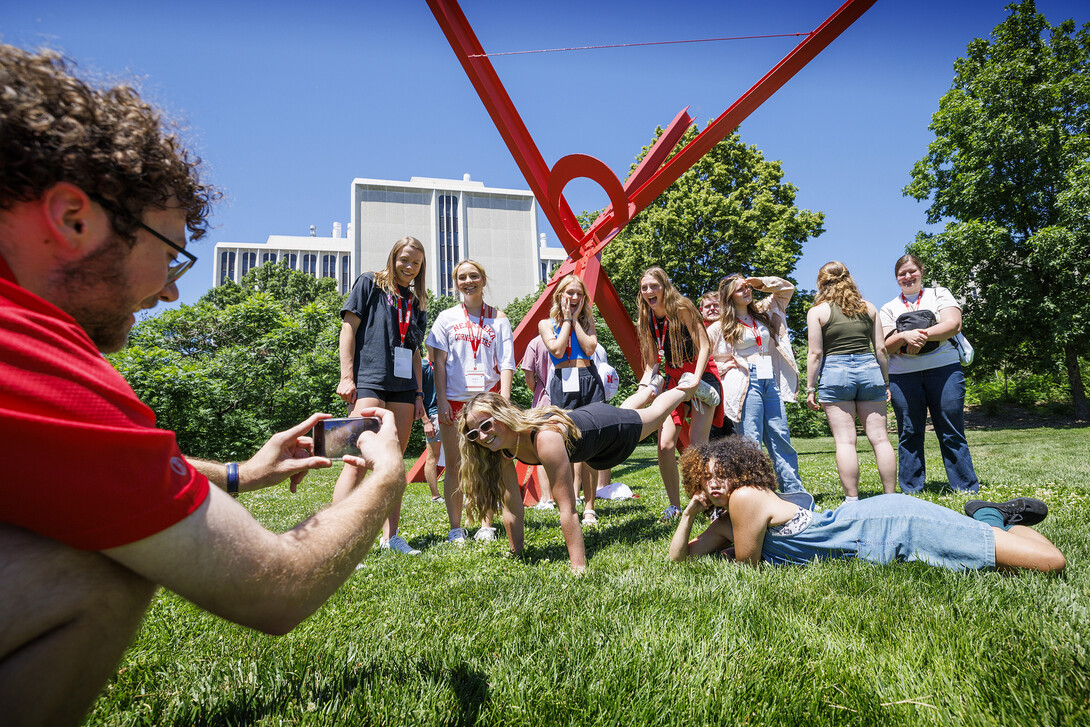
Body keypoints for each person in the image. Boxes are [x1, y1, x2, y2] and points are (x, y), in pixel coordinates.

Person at [0, 45, 409, 725]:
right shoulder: (33, 357)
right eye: (170, 255)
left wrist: (240, 473)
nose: (174, 290)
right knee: (98, 566)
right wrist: (385, 480)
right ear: (75, 218)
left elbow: (71, 462)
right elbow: (272, 586)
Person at [669, 438, 1065, 574]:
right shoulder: (725, 522)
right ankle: (990, 518)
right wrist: (688, 515)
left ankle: (994, 517)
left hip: (892, 525)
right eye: (705, 478)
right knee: (1019, 564)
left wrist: (722, 546)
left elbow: (747, 567)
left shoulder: (744, 499)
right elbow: (677, 560)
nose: (714, 483)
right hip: (873, 528)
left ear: (740, 474)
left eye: (722, 474)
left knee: (1051, 562)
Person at [457, 387, 697, 572]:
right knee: (630, 412)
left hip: (607, 431)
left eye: (486, 425)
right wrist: (515, 553)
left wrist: (578, 567)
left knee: (653, 417)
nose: (482, 436)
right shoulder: (503, 450)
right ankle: (647, 389)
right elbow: (512, 508)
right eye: (473, 433)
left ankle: (684, 388)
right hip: (590, 441)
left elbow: (568, 509)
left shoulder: (545, 438)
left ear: (502, 415)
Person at [336, 236, 429, 554]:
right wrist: (347, 376)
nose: (409, 266)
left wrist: (418, 394)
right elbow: (348, 328)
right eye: (405, 259)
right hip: (369, 382)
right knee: (356, 461)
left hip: (403, 389)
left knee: (392, 465)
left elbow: (415, 352)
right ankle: (340, 539)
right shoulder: (369, 282)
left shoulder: (417, 303)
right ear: (394, 257)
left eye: (416, 263)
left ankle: (392, 537)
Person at [426, 259, 514, 543]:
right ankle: (455, 528)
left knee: (488, 464)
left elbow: (507, 363)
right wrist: (440, 402)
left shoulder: (499, 318)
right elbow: (437, 364)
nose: (468, 281)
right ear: (456, 283)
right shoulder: (446, 318)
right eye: (462, 277)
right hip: (453, 401)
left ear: (483, 280)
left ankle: (486, 524)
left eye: (474, 276)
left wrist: (506, 403)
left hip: (486, 403)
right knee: (454, 465)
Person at [879, 254, 979, 493]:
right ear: (896, 278)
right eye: (902, 274)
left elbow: (953, 324)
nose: (907, 276)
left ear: (921, 272)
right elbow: (885, 344)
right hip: (904, 377)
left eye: (912, 271)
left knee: (951, 430)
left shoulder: (939, 294)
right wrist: (904, 336)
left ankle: (965, 487)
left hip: (944, 371)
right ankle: (912, 488)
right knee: (909, 433)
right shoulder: (888, 308)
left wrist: (918, 337)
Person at [634, 267, 724, 520]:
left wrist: (695, 378)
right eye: (644, 288)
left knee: (697, 445)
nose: (649, 292)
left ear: (664, 286)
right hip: (675, 379)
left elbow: (704, 344)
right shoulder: (647, 317)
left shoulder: (682, 307)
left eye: (654, 286)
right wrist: (645, 386)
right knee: (664, 445)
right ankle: (674, 506)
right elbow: (652, 362)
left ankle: (709, 504)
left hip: (701, 377)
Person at [805, 261, 897, 499]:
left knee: (846, 442)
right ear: (850, 279)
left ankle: (852, 500)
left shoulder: (818, 312)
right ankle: (890, 496)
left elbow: (815, 354)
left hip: (835, 373)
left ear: (820, 283)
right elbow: (880, 349)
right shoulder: (869, 308)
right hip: (869, 370)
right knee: (880, 438)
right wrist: (886, 382)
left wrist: (810, 388)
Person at [708, 273, 804, 494]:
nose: (747, 290)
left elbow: (787, 289)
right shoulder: (719, 326)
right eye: (741, 288)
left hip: (770, 378)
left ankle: (793, 491)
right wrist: (728, 368)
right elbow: (707, 358)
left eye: (748, 287)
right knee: (750, 440)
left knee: (780, 435)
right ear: (729, 295)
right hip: (745, 381)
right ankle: (755, 493)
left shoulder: (763, 311)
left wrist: (761, 282)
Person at [537, 274, 606, 524]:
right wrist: (566, 319)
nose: (574, 297)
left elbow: (589, 348)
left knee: (591, 442)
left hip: (588, 378)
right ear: (560, 295)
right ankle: (569, 502)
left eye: (579, 293)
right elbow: (556, 349)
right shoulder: (546, 324)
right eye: (569, 292)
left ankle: (589, 507)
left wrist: (576, 320)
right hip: (562, 380)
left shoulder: (588, 321)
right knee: (564, 442)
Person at [520, 333, 556, 510]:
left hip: (543, 402)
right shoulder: (566, 336)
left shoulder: (534, 342)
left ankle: (546, 498)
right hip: (566, 400)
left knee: (542, 451)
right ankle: (569, 493)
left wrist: (538, 390)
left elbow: (528, 377)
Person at [419, 346, 443, 503]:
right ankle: (435, 496)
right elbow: (417, 396)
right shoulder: (422, 366)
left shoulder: (444, 365)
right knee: (433, 456)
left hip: (448, 413)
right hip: (432, 414)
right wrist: (426, 421)